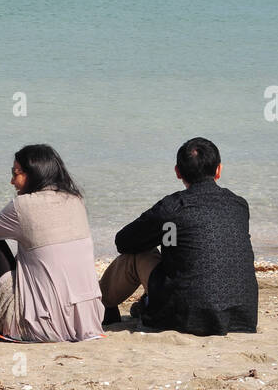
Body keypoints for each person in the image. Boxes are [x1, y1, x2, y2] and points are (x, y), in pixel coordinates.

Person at [0, 144, 104, 342]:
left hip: (39, 326)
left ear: (34, 174)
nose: (11, 181)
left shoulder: (22, 206)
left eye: (15, 173)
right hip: (87, 322)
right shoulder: (76, 200)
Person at [99, 136, 257, 335]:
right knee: (179, 246)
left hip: (182, 317)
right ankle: (147, 301)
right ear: (218, 170)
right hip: (242, 318)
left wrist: (159, 235)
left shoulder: (172, 208)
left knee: (139, 254)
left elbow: (123, 241)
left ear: (177, 172)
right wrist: (169, 237)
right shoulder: (239, 206)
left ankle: (100, 304)